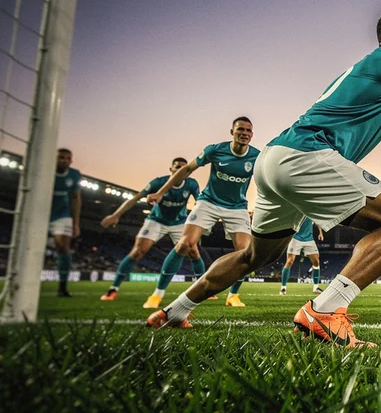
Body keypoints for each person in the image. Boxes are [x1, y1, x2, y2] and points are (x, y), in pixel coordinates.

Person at [146, 8, 381, 348]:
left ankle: (174, 311)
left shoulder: (379, 72)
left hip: (275, 160)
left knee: (254, 255)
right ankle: (325, 311)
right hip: (309, 156)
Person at [144, 117, 259, 309]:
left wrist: (257, 207)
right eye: (240, 129)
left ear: (252, 135)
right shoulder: (215, 150)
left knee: (246, 254)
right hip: (209, 201)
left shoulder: (257, 156)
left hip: (237, 207)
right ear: (232, 132)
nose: (244, 134)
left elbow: (264, 183)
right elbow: (187, 169)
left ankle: (233, 296)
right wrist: (160, 192)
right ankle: (157, 295)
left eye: (248, 131)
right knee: (185, 244)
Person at [99, 157, 201, 301]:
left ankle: (202, 285)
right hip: (156, 221)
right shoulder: (158, 183)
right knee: (137, 252)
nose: (181, 170)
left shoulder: (191, 184)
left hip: (179, 222)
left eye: (184, 168)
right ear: (171, 169)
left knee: (194, 252)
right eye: (177, 167)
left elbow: (200, 202)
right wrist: (116, 215)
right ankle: (113, 289)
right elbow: (135, 199)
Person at [50, 148, 82, 297]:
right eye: (61, 157)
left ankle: (62, 287)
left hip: (62, 214)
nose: (64, 160)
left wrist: (75, 223)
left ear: (71, 161)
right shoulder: (45, 170)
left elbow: (75, 199)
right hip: (40, 211)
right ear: (54, 158)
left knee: (63, 247)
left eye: (67, 158)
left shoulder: (74, 175)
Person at [280, 218, 324, 295]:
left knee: (316, 262)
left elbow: (318, 220)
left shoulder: (312, 210)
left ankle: (316, 287)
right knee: (290, 261)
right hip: (295, 238)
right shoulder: (298, 208)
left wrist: (320, 233)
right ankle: (283, 288)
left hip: (309, 239)